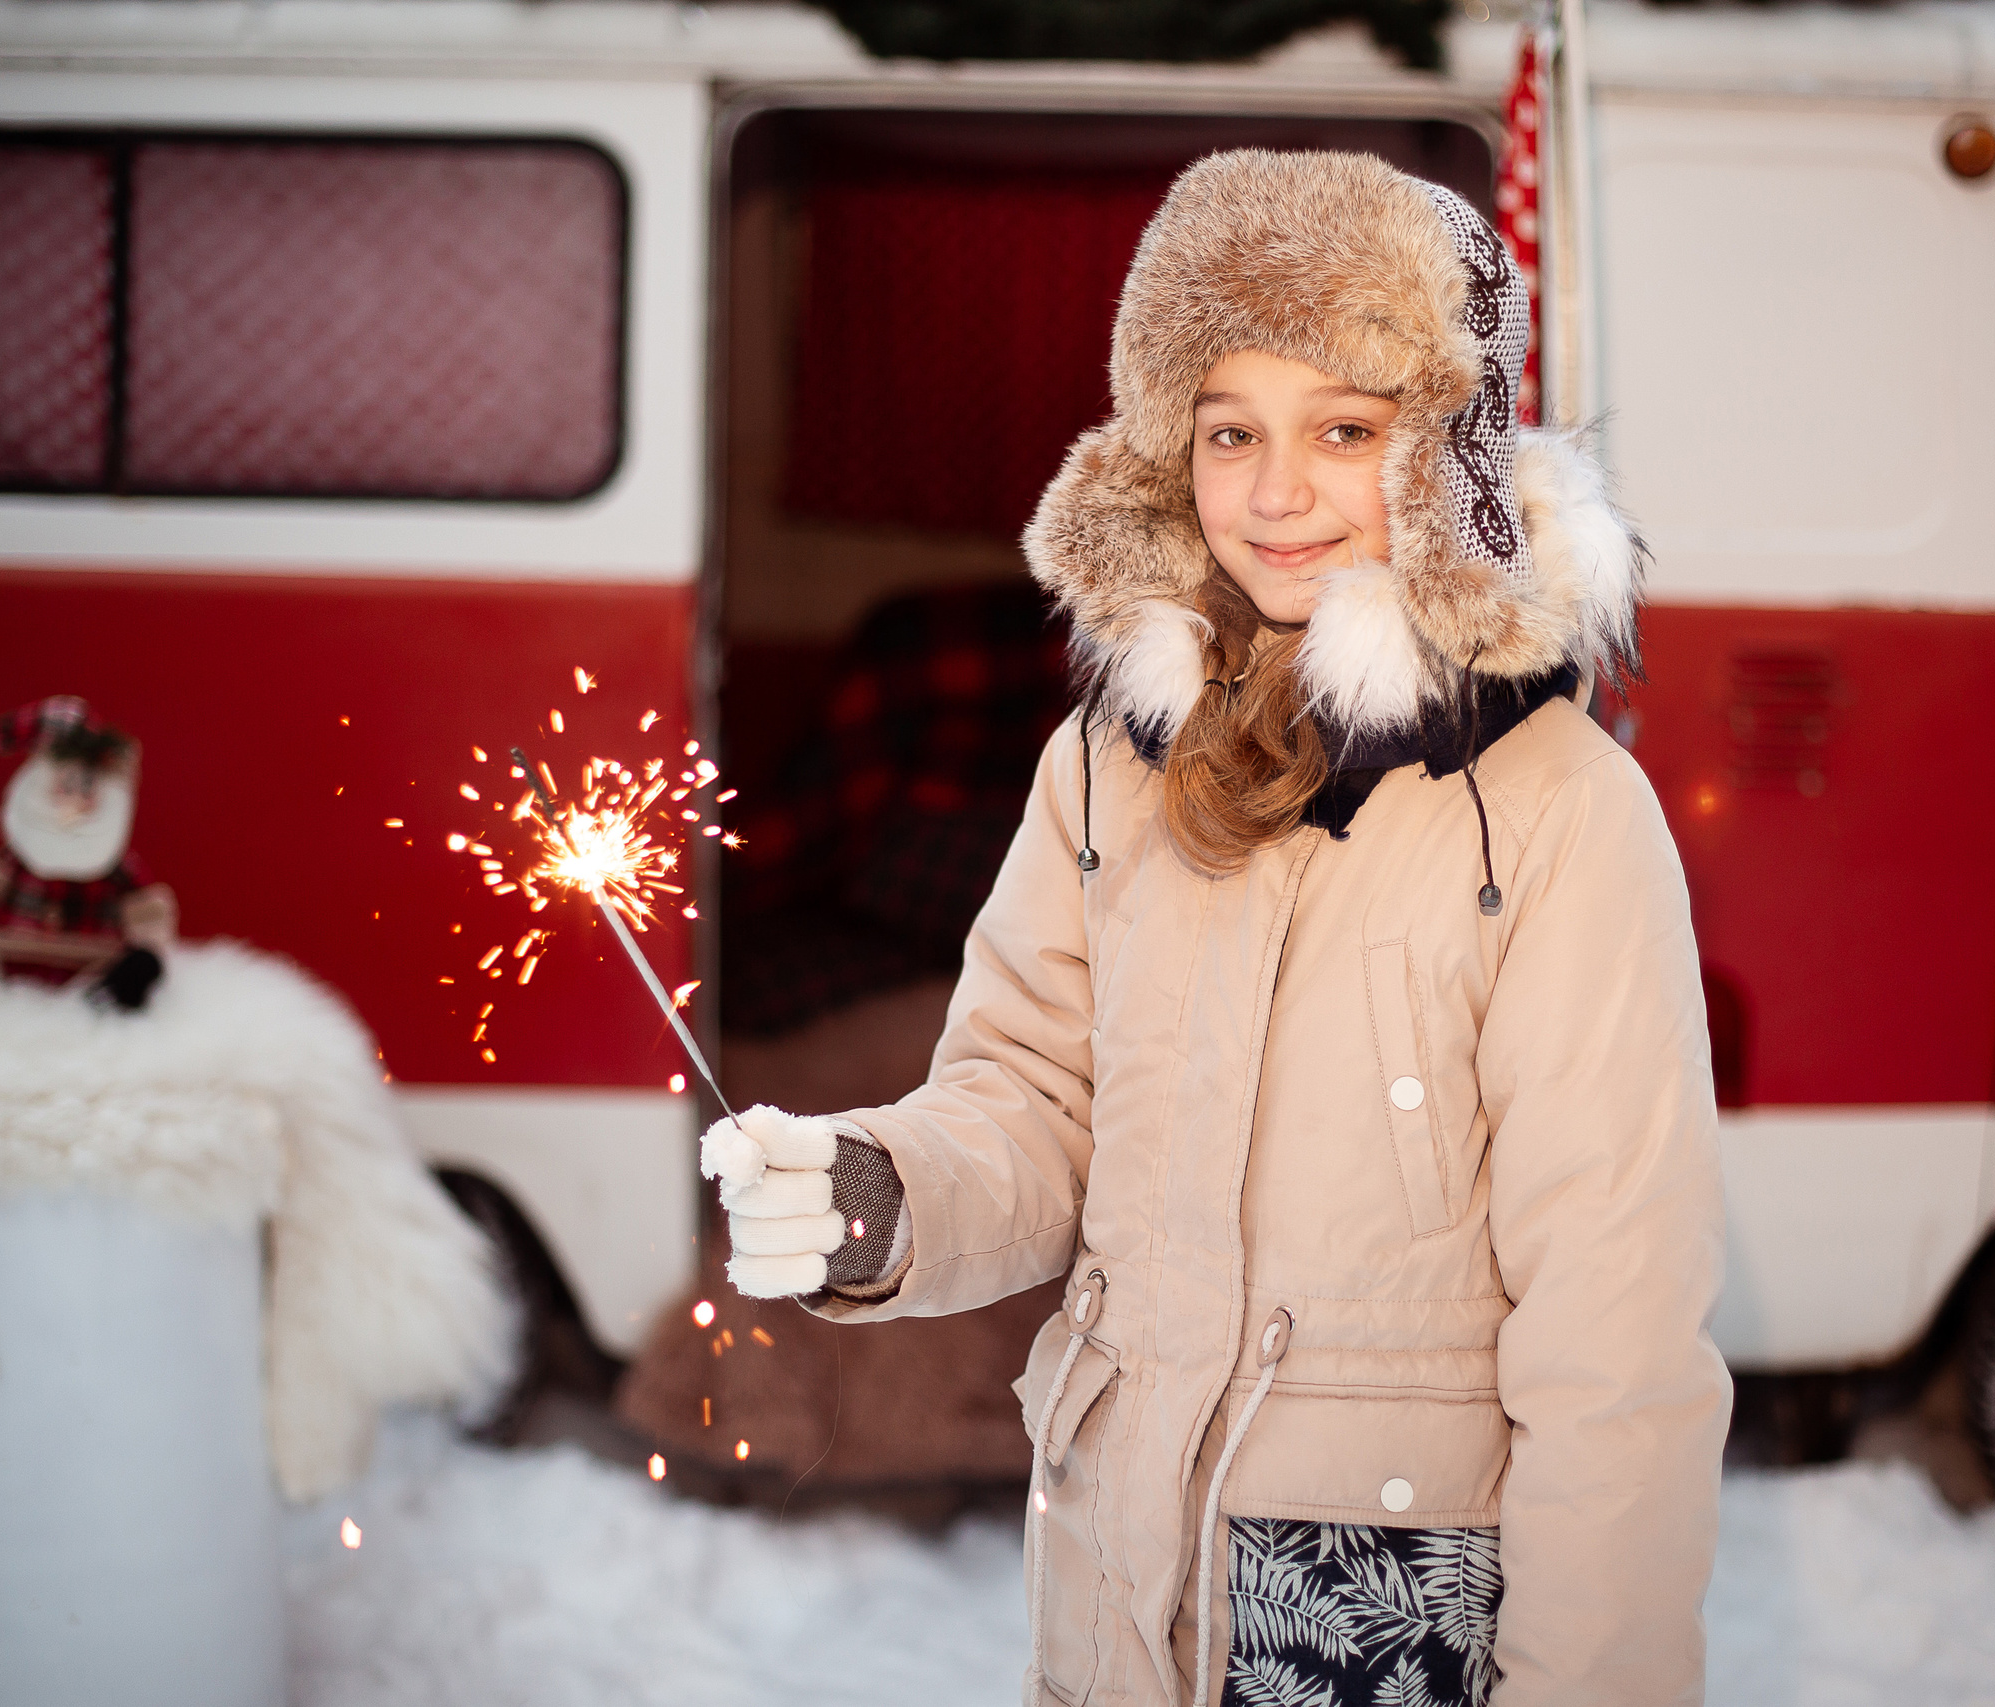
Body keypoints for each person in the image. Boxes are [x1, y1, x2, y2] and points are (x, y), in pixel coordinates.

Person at [704, 149, 1729, 1707]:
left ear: (1441, 459)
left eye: (1343, 430)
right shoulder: (1108, 764)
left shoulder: (1556, 809)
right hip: (1122, 1568)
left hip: (1395, 1599)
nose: (1273, 491)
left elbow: (1619, 1341)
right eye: (1228, 429)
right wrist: (881, 1193)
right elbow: (1039, 1101)